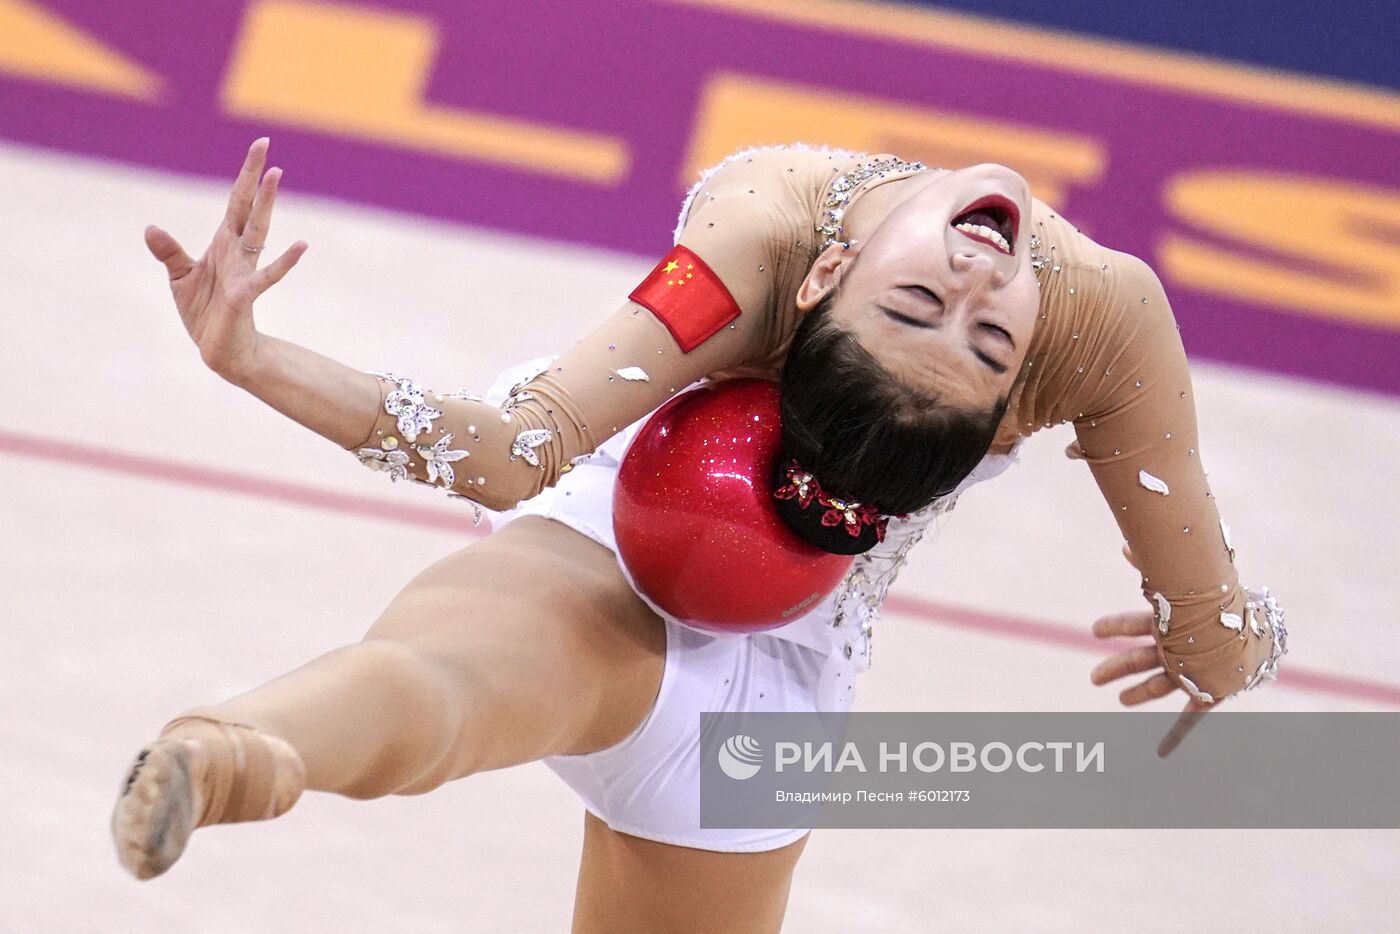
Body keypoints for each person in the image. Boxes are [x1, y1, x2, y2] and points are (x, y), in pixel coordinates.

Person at [113, 138, 1285, 931]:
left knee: (450, 680)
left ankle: (248, 747)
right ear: (822, 275)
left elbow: (518, 446)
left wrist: (251, 357)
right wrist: (1229, 644)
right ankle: (235, 755)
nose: (978, 278)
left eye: (985, 340)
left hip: (748, 684)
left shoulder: (1078, 321)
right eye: (923, 303)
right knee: (446, 682)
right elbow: (1215, 628)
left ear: (1016, 385)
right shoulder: (770, 234)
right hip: (640, 591)